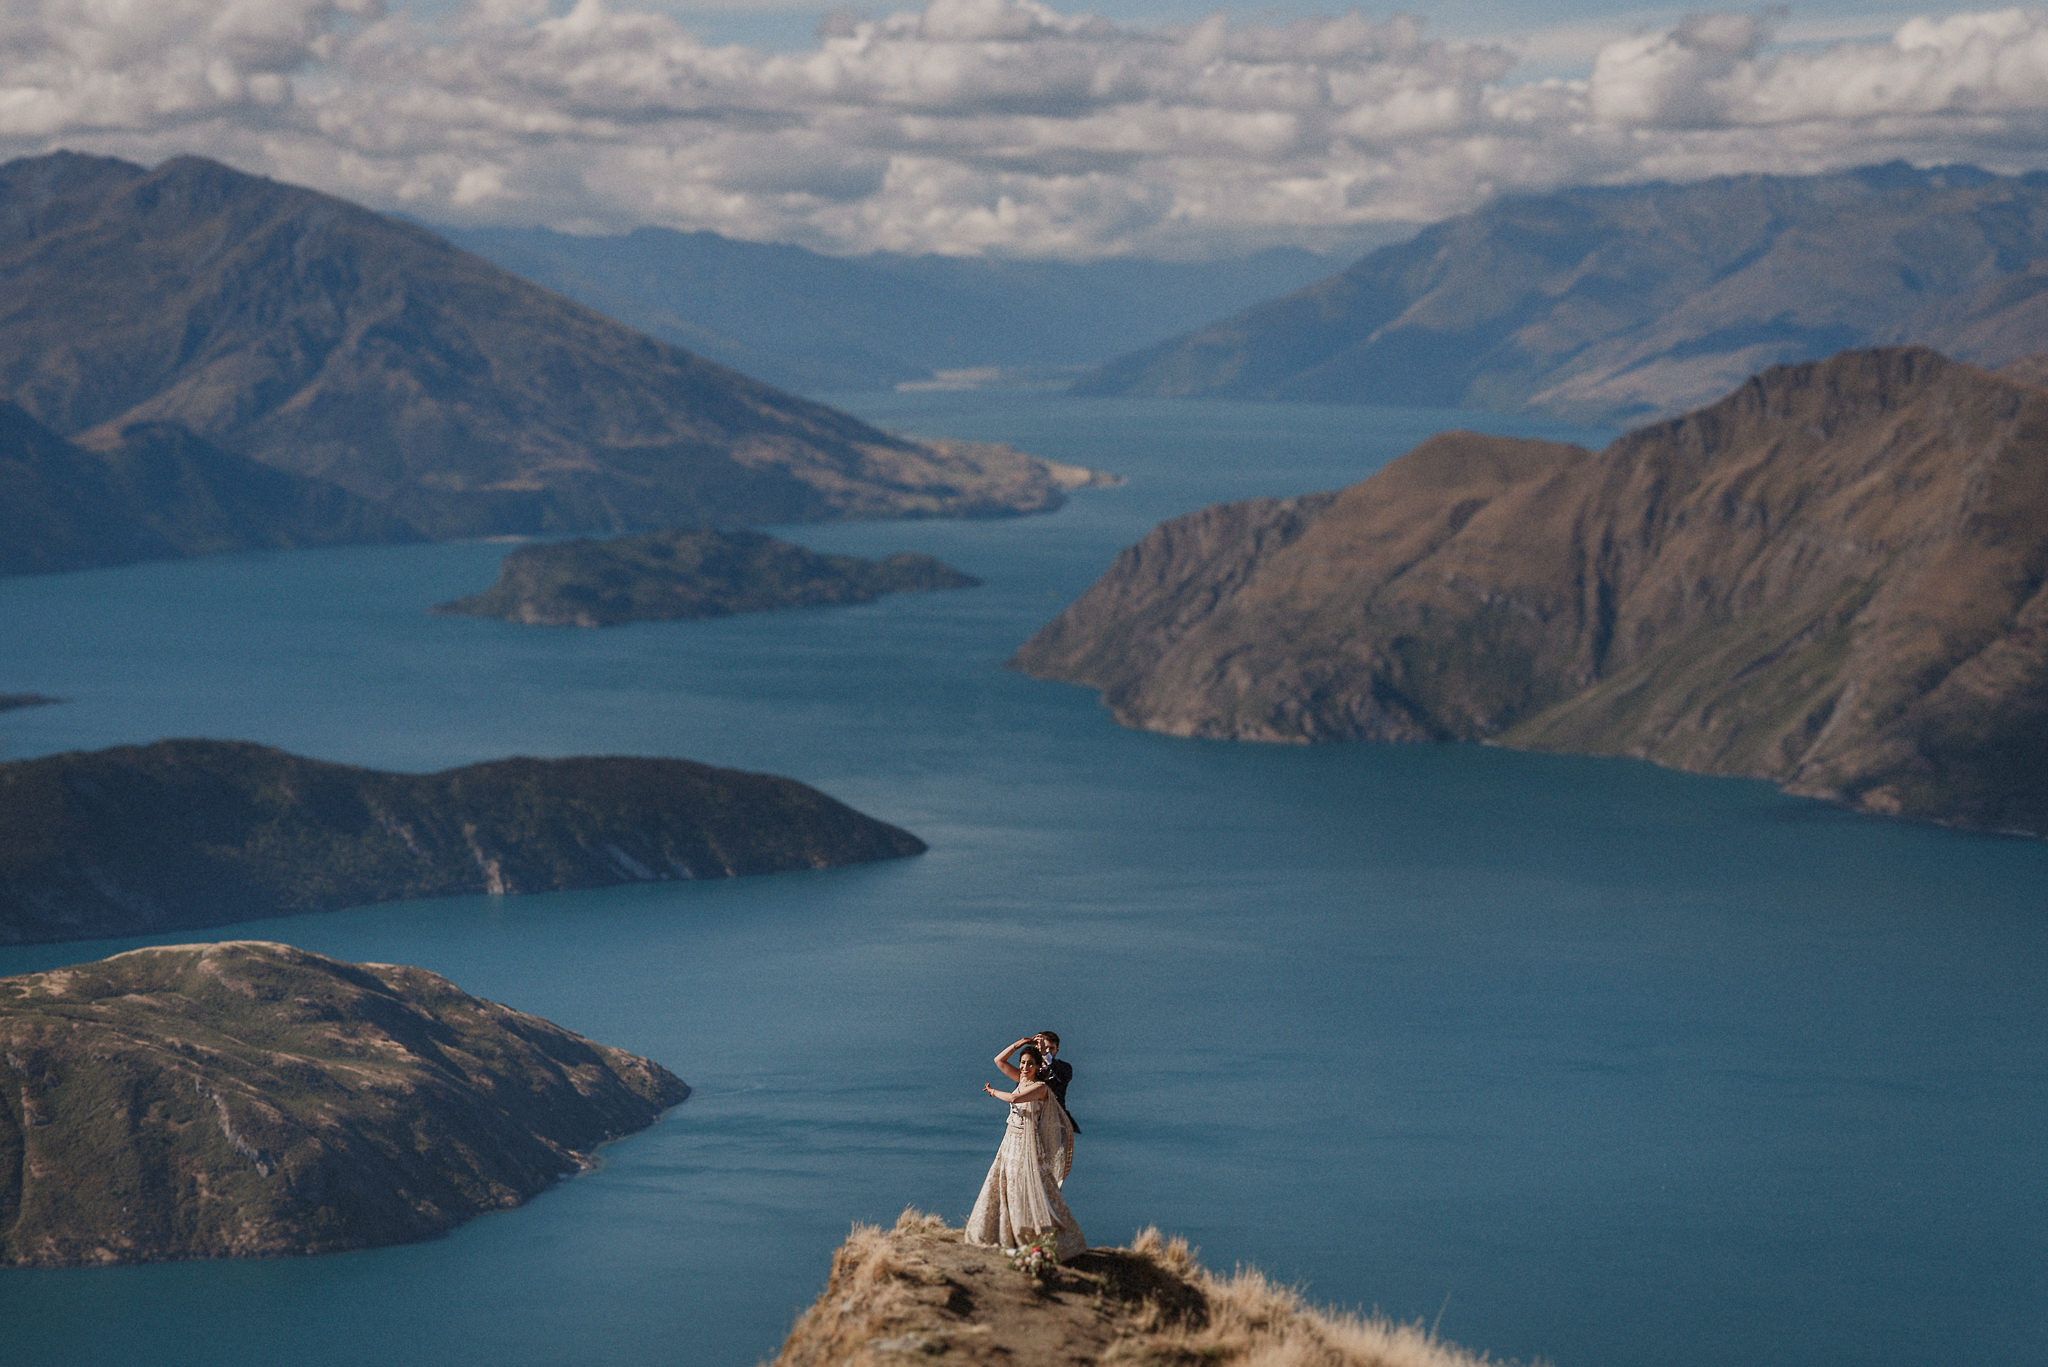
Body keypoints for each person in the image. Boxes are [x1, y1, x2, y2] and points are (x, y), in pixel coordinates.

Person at [964, 1040, 1086, 1258]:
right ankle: (1004, 1233)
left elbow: (1013, 1098)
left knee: (1027, 1186)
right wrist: (1021, 1042)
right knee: (1005, 1184)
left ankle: (1035, 1235)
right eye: (1022, 1062)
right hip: (1009, 1141)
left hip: (1027, 1146)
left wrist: (992, 1092)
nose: (1024, 1067)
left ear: (1039, 1066)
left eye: (1030, 1063)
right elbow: (999, 1061)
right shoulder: (1021, 1080)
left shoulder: (1040, 1088)